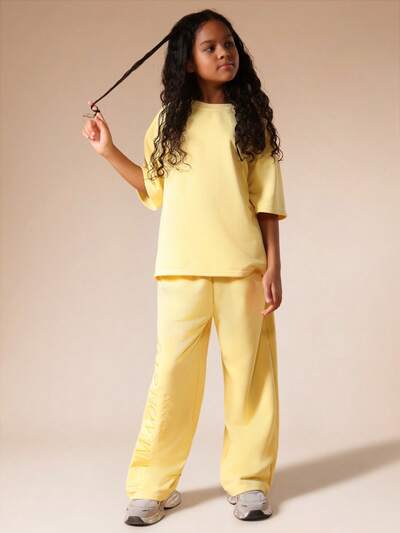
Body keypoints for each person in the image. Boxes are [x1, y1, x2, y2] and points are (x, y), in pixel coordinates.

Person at [82, 8, 287, 525]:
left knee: (250, 378)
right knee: (172, 379)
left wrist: (274, 267)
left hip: (243, 270)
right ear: (188, 61)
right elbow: (153, 190)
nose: (224, 53)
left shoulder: (250, 122)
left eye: (229, 43)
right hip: (180, 270)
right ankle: (152, 488)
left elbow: (266, 201)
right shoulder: (167, 124)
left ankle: (249, 482)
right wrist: (108, 151)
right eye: (210, 47)